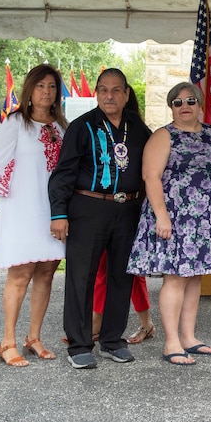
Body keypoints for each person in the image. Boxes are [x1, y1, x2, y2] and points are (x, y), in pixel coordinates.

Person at [0, 64, 67, 367]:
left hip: (53, 212)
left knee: (46, 273)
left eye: (52, 86)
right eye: (41, 86)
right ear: (29, 90)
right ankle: (7, 340)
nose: (47, 92)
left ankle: (34, 337)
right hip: (23, 208)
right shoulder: (16, 123)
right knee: (20, 276)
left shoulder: (61, 127)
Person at [49, 68, 152, 369]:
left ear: (126, 94)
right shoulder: (82, 126)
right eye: (104, 89)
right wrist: (59, 214)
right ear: (96, 93)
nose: (110, 95)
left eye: (116, 89)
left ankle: (111, 340)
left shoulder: (138, 128)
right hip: (88, 209)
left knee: (122, 276)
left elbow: (150, 170)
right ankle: (80, 345)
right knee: (82, 277)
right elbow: (63, 173)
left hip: (128, 210)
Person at [127, 82, 211, 365]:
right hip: (176, 217)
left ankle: (189, 337)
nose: (184, 106)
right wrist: (162, 216)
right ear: (171, 107)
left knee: (195, 276)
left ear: (200, 104)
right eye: (177, 102)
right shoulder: (164, 135)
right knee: (175, 277)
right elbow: (151, 177)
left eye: (190, 101)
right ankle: (171, 342)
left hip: (207, 217)